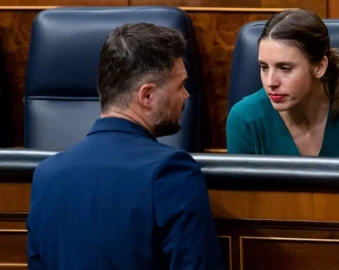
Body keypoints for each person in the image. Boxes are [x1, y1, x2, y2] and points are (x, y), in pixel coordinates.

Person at [26, 23, 225, 270]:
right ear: (147, 96)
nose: (185, 96)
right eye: (180, 85)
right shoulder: (170, 173)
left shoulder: (46, 175)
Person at [226, 9, 339, 157]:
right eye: (264, 67)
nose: (270, 82)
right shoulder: (244, 119)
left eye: (285, 68)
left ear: (319, 66)